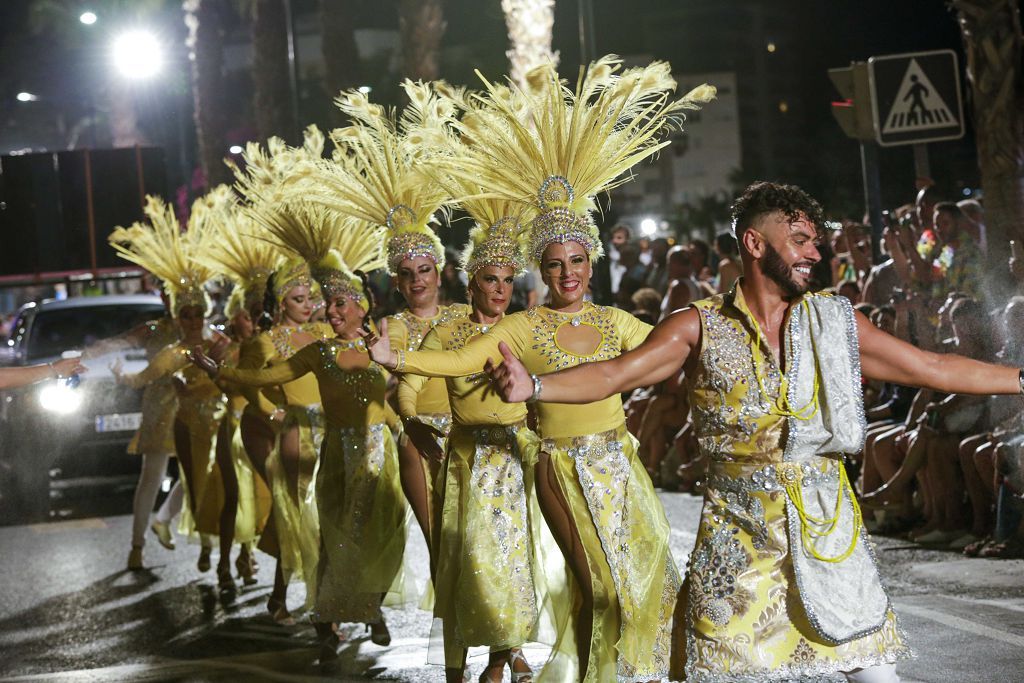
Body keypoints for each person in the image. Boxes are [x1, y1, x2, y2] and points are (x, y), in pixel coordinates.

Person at [485, 181, 1023, 682]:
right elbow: (614, 375)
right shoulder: (697, 325)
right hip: (736, 540)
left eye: (816, 241)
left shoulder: (834, 320)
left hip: (827, 532)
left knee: (874, 672)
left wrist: (1020, 378)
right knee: (717, 670)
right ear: (754, 243)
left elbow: (933, 368)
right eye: (799, 240)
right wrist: (533, 386)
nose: (814, 252)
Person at [365, 57, 716, 682]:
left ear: (591, 260)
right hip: (558, 467)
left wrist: (738, 324)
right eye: (554, 265)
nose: (567, 273)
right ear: (542, 271)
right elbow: (457, 359)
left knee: (653, 585)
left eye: (577, 260)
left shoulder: (615, 323)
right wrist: (399, 359)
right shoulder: (522, 328)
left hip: (620, 465)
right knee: (596, 587)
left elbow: (676, 348)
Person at [192, 201, 405, 661]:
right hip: (328, 447)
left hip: (376, 452)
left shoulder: (380, 349)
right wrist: (222, 372)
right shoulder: (315, 352)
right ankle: (327, 618)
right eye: (318, 302)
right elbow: (262, 381)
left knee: (383, 532)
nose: (323, 310)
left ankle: (369, 604)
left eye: (333, 303)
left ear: (359, 306)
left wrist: (411, 428)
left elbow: (387, 401)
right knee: (326, 531)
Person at [300, 81, 469, 570]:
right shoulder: (389, 329)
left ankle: (498, 645)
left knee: (474, 545)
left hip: (467, 440)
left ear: (441, 273)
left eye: (425, 271)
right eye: (408, 274)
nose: (418, 281)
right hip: (417, 441)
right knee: (439, 545)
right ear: (396, 282)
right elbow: (393, 385)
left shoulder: (463, 319)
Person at [397, 197, 553, 683]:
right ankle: (465, 662)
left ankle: (503, 654)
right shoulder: (447, 331)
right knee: (468, 561)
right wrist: (412, 421)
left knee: (515, 556)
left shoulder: (528, 328)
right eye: (492, 279)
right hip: (467, 461)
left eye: (509, 281)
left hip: (518, 454)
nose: (501, 290)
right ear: (472, 283)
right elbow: (410, 385)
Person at [109, 194, 239, 583]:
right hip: (162, 412)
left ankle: (165, 522)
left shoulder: (217, 340)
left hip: (202, 415)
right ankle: (136, 547)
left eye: (198, 312)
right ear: (176, 312)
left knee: (202, 472)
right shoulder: (163, 338)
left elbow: (234, 372)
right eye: (186, 312)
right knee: (151, 476)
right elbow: (131, 353)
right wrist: (113, 367)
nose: (193, 319)